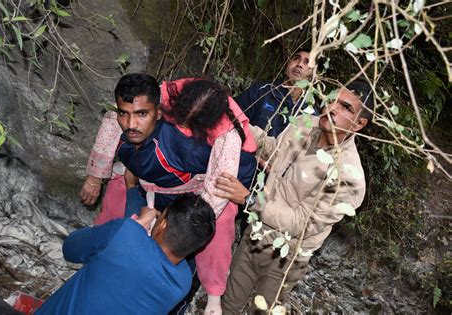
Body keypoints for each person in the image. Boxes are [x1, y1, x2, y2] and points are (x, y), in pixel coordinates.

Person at [216, 80, 374, 314]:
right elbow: (273, 150)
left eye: (345, 107)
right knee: (227, 305)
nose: (332, 109)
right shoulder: (304, 123)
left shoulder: (348, 176)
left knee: (261, 312)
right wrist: (238, 120)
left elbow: (302, 224)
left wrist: (250, 201)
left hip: (285, 259)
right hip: (255, 235)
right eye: (332, 100)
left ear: (360, 123)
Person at [115, 75, 257, 315]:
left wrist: (181, 236)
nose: (185, 129)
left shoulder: (227, 139)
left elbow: (214, 198)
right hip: (173, 182)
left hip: (219, 185)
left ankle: (208, 298)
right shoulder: (166, 93)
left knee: (211, 229)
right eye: (182, 122)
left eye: (193, 126)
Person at [35, 194, 216, 315]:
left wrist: (142, 221)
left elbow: (70, 248)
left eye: (161, 217)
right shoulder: (182, 282)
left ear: (161, 225)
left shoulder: (125, 233)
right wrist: (131, 193)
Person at [235, 49, 314, 137]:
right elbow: (234, 118)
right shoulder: (262, 91)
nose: (299, 64)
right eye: (296, 59)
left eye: (306, 62)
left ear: (312, 75)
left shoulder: (310, 114)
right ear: (287, 64)